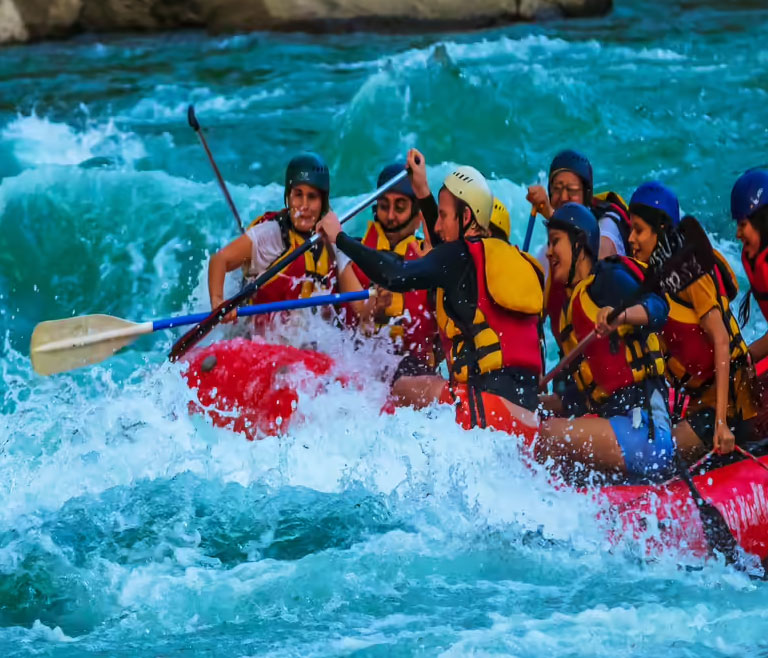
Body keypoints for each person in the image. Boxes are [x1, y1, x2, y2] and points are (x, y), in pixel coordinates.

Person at [318, 153, 544, 437]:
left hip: (487, 414)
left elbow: (396, 274)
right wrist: (422, 189)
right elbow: (446, 256)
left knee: (403, 387)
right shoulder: (514, 261)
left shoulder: (460, 255)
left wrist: (339, 238)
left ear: (466, 218)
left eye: (445, 217)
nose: (436, 226)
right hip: (529, 418)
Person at [536, 202, 675, 482]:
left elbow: (659, 308)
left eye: (555, 242)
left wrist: (622, 315)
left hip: (645, 429)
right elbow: (576, 399)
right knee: (543, 425)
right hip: (619, 428)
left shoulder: (607, 279)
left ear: (579, 244)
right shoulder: (573, 312)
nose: (548, 252)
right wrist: (532, 402)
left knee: (545, 437)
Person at [207, 152, 339, 323]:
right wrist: (218, 301)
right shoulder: (271, 235)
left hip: (302, 341)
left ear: (323, 201)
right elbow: (219, 260)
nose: (304, 206)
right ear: (288, 197)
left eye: (312, 197)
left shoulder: (330, 238)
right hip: (256, 338)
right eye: (298, 195)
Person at [337, 163, 440, 379]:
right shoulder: (348, 256)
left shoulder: (433, 264)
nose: (391, 217)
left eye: (400, 207)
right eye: (384, 206)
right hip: (356, 373)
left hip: (414, 379)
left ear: (418, 216)